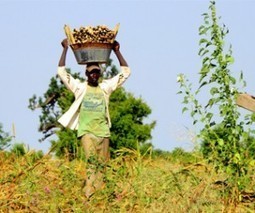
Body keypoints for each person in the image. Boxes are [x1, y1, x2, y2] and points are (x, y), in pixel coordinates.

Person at [57, 38, 131, 198]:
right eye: (91, 72)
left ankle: (100, 197)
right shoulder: (79, 88)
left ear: (99, 74)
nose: (94, 75)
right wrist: (65, 50)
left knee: (103, 166)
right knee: (92, 164)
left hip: (103, 133)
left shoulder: (105, 88)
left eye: (96, 72)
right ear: (86, 74)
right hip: (87, 132)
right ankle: (89, 196)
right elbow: (62, 73)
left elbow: (126, 73)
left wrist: (117, 50)